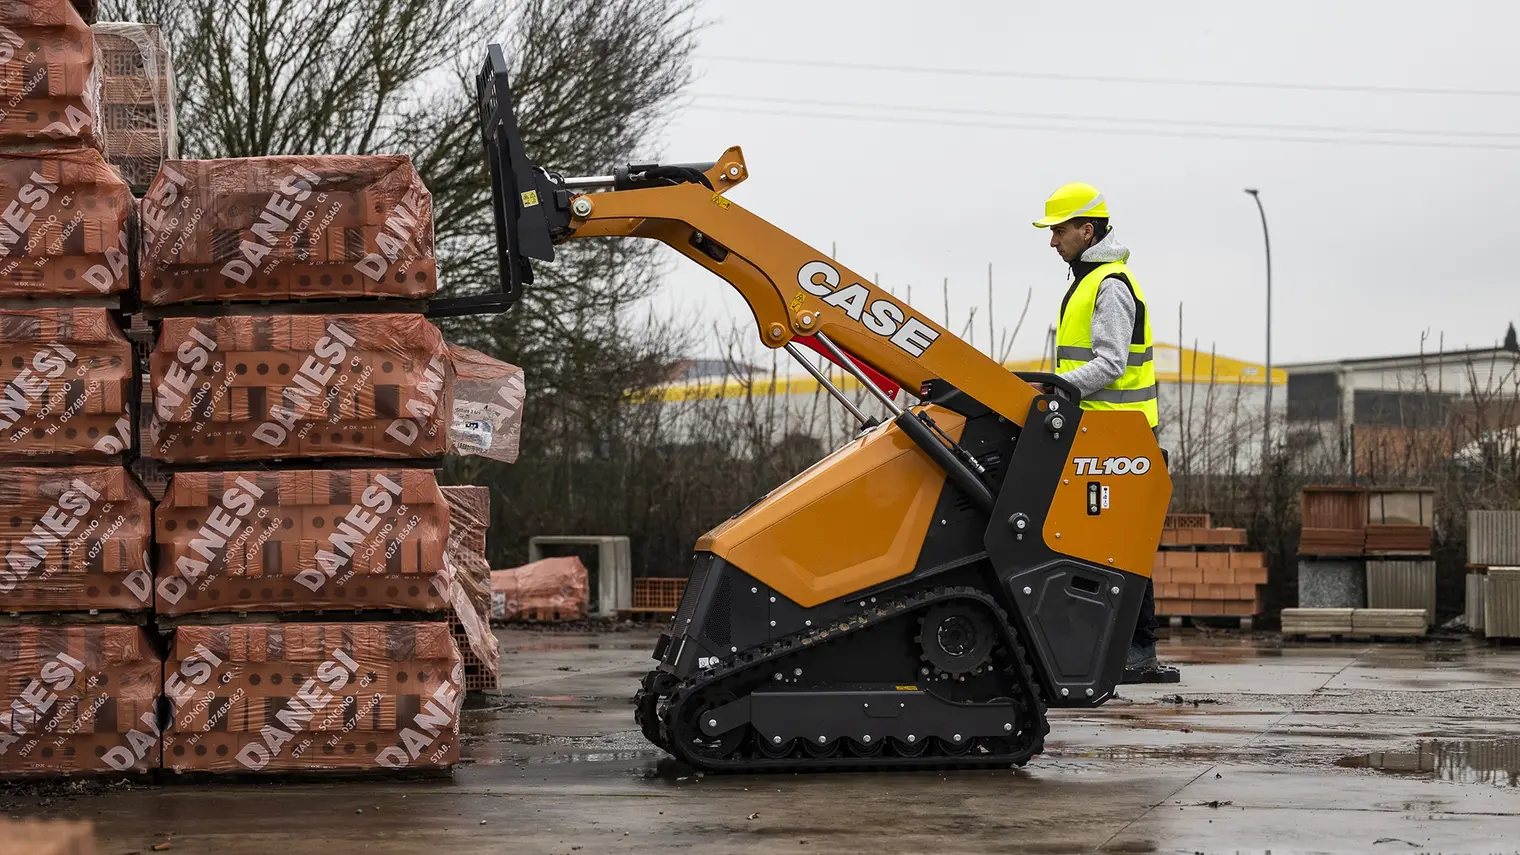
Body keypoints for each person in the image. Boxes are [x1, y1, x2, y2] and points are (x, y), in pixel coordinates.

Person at [1032, 182, 1165, 674]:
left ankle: (1138, 651)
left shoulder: (1109, 285)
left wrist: (1054, 389)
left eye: (1059, 231)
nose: (1053, 242)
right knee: (1099, 542)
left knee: (1123, 543)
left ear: (1087, 231)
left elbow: (1109, 364)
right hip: (1101, 434)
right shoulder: (1091, 280)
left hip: (1120, 437)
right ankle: (1118, 647)